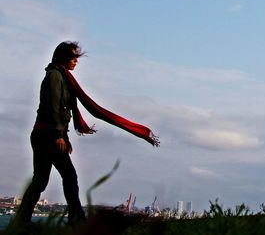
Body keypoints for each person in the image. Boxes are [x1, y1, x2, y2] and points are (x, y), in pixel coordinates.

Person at [14, 41, 159, 226]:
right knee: (66, 176)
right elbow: (52, 107)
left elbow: (60, 110)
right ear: (62, 58)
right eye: (73, 57)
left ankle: (24, 220)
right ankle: (76, 219)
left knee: (43, 180)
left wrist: (64, 137)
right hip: (47, 136)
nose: (76, 61)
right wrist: (58, 135)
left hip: (47, 135)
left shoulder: (62, 77)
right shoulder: (54, 77)